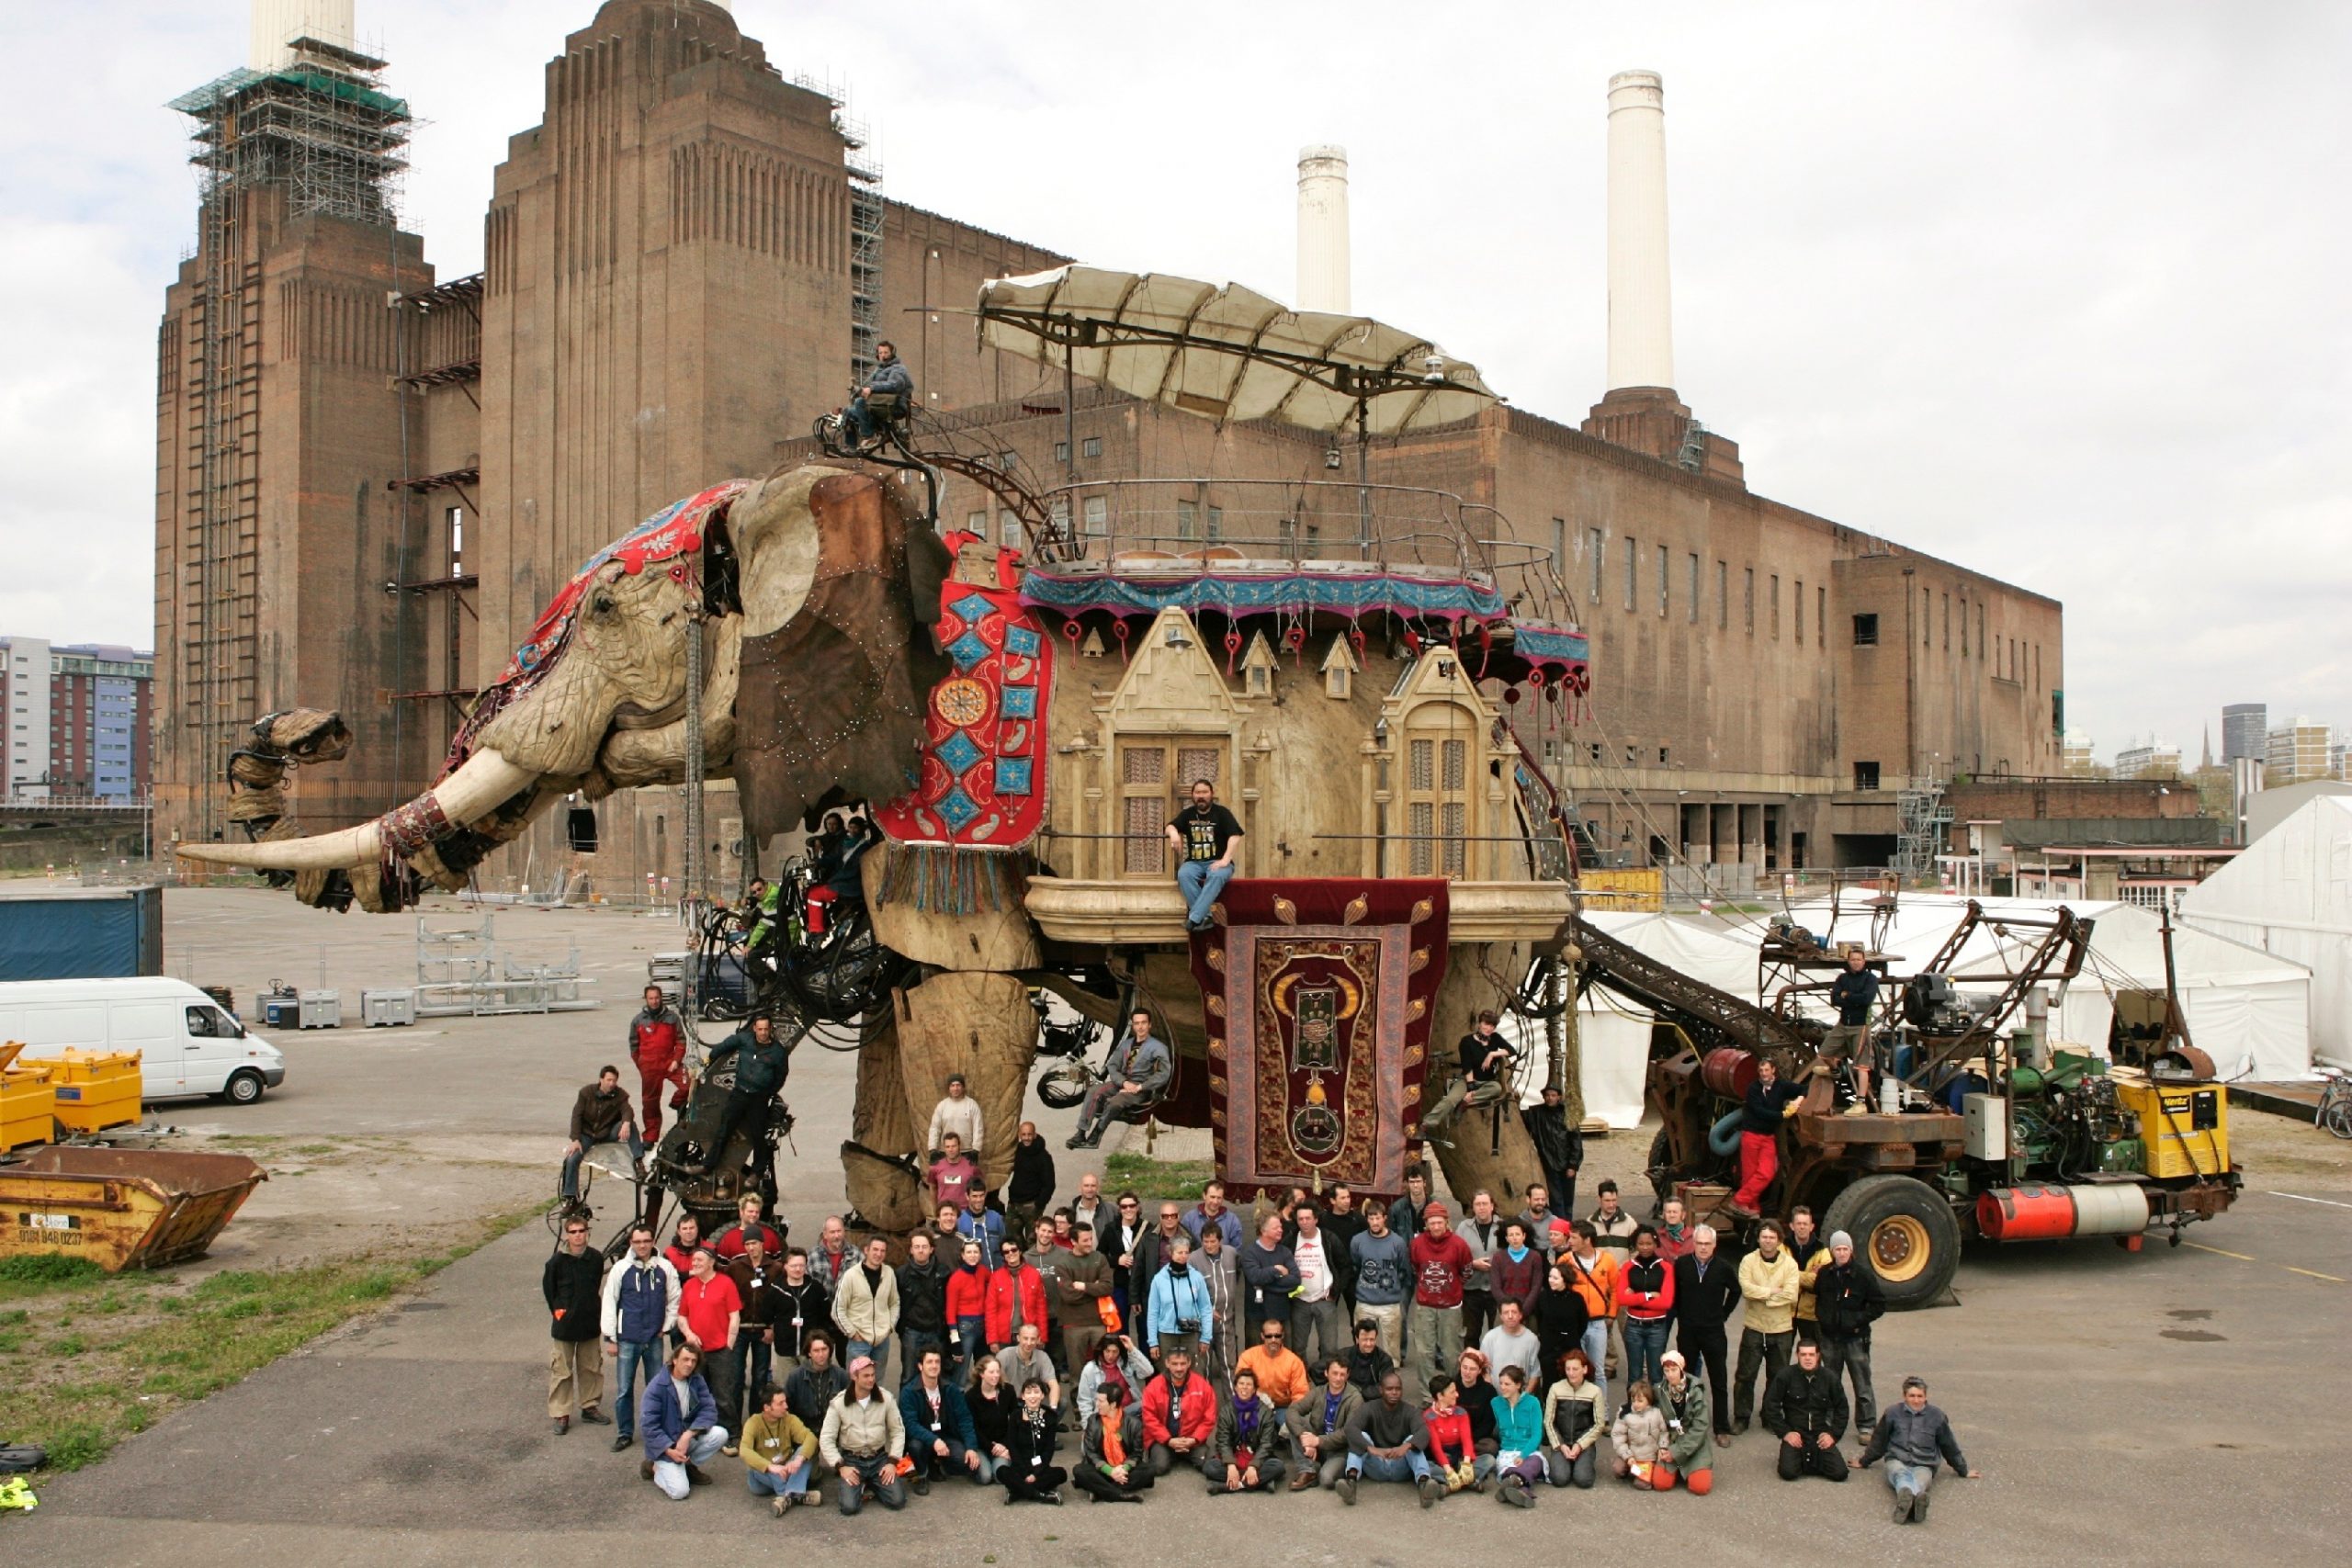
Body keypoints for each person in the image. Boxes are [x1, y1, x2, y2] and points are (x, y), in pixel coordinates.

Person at [1853, 1374, 1981, 1522]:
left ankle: (1910, 1503)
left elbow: (1949, 1445)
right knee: (1900, 1475)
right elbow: (1879, 1440)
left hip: (1924, 1464)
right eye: (1912, 1396)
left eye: (1920, 1396)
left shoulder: (1937, 1416)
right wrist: (1864, 1461)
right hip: (1897, 1460)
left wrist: (1963, 1470)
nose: (1916, 1400)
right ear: (1904, 1396)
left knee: (1921, 1481)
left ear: (1926, 1397)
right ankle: (1910, 1500)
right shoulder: (1892, 1413)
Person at [603, 1223, 680, 1453]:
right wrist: (611, 1337)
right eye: (637, 1242)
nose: (642, 1245)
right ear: (631, 1243)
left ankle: (656, 1430)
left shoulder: (665, 1267)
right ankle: (625, 1432)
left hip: (654, 1339)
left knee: (656, 1387)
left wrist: (665, 1327)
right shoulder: (620, 1270)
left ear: (653, 1241)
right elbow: (609, 1301)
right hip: (627, 1339)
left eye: (646, 1241)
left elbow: (675, 1298)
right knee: (624, 1389)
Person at [688, 1014, 788, 1178]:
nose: (763, 1033)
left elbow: (781, 1075)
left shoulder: (778, 1052)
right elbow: (724, 1046)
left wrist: (768, 1092)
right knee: (724, 1129)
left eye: (766, 1029)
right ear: (755, 1029)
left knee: (758, 1135)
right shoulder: (744, 1040)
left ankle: (757, 1172)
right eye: (760, 1029)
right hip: (740, 1094)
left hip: (758, 1099)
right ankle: (708, 1165)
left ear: (771, 1029)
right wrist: (709, 1059)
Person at [1672, 1223, 1739, 1442]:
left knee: (1718, 1379)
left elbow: (1736, 1291)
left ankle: (1721, 1428)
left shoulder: (1723, 1267)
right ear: (1694, 1244)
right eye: (1699, 1243)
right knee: (1685, 1380)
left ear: (1714, 1244)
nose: (1702, 1248)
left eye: (1707, 1244)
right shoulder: (1682, 1265)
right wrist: (1681, 1314)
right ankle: (1685, 1422)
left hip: (1714, 1331)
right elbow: (1675, 1292)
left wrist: (1724, 1314)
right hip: (1688, 1331)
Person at [1815, 1230, 1886, 1435]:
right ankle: (1829, 1422)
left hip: (1856, 1338)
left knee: (1862, 1384)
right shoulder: (1824, 1274)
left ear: (1851, 1251)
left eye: (1845, 1249)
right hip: (1830, 1339)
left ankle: (1866, 1425)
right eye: (1838, 1249)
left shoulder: (1863, 1275)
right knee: (1830, 1383)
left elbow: (1879, 1304)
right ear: (1832, 1251)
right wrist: (1824, 1320)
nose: (1842, 1253)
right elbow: (1819, 1297)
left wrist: (1857, 1321)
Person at [819, 1355, 908, 1515]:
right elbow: (826, 1438)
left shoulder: (886, 1398)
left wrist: (892, 1462)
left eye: (873, 1375)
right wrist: (841, 1466)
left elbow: (898, 1431)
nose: (871, 1379)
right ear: (854, 1377)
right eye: (866, 1376)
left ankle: (870, 1484)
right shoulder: (839, 1403)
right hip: (852, 1460)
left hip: (879, 1458)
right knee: (849, 1508)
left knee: (898, 1501)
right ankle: (863, 1485)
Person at [543, 1213, 607, 1435]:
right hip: (565, 1326)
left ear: (587, 1232)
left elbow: (595, 1285)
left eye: (582, 1231)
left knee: (591, 1367)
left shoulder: (596, 1258)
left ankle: (590, 1406)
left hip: (589, 1322)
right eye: (573, 1232)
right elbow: (549, 1291)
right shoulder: (556, 1262)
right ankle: (561, 1413)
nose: (578, 1236)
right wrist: (560, 1312)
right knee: (562, 1370)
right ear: (566, 1235)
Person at [1734, 1221, 1800, 1435]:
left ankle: (1770, 1416)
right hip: (1754, 1327)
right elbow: (1746, 1289)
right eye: (1764, 1236)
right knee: (1745, 1375)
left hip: (1781, 1329)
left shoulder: (1790, 1264)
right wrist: (1772, 1292)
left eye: (1772, 1237)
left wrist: (1763, 1296)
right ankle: (1742, 1417)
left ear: (1779, 1240)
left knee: (1778, 1377)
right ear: (1758, 1238)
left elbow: (1791, 1295)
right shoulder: (1748, 1261)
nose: (1767, 1241)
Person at [1070, 1010, 1172, 1148]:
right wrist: (1123, 1082)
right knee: (1094, 1091)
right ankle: (1081, 1132)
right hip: (1122, 1082)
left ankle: (1097, 1133)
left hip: (1140, 1089)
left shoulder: (1158, 1047)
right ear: (1133, 1026)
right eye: (1137, 1023)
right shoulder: (1126, 1044)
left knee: (1115, 1102)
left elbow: (1164, 1073)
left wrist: (1140, 1087)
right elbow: (1112, 1065)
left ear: (1150, 1025)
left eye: (1143, 1023)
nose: (1140, 1027)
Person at [640, 1343, 727, 1500]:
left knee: (721, 1434)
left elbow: (709, 1410)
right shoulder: (657, 1387)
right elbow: (648, 1426)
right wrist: (668, 1450)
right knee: (680, 1493)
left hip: (684, 1439)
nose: (689, 1364)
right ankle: (654, 1467)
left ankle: (687, 1465)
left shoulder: (697, 1380)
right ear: (674, 1360)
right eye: (685, 1359)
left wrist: (688, 1435)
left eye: (693, 1361)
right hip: (666, 1448)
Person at [1337, 1369, 1433, 1506]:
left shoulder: (1411, 1410)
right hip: (1376, 1464)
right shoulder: (1369, 1408)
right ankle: (1351, 1484)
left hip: (1401, 1466)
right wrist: (1370, 1448)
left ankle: (1424, 1486)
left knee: (1413, 1439)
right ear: (1381, 1390)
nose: (1394, 1393)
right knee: (1361, 1436)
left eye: (1398, 1389)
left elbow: (1424, 1432)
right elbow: (1350, 1428)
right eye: (1389, 1389)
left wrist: (1406, 1446)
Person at [677, 1247, 744, 1438]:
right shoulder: (689, 1285)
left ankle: (731, 1434)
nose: (695, 1263)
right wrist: (689, 1334)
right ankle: (702, 1430)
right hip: (695, 1351)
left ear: (711, 1262)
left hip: (720, 1350)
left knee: (723, 1395)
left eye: (699, 1260)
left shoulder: (726, 1283)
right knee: (697, 1393)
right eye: (694, 1260)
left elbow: (735, 1316)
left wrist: (729, 1344)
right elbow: (682, 1317)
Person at [725, 1233, 787, 1438]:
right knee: (735, 1376)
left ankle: (756, 1421)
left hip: (763, 1329)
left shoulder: (775, 1268)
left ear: (762, 1244)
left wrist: (772, 1326)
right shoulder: (736, 1267)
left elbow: (779, 1300)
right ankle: (734, 1426)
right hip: (740, 1329)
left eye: (754, 1243)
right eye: (747, 1244)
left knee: (760, 1377)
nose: (751, 1248)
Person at [1763, 1338, 1849, 1483]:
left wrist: (1833, 1435)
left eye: (1811, 1354)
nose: (1808, 1358)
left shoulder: (1830, 1378)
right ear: (1797, 1355)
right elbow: (1771, 1405)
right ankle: (1802, 1459)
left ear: (1818, 1356)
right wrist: (1785, 1433)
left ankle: (1810, 1460)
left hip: (1820, 1433)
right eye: (1803, 1355)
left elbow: (1842, 1408)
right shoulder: (1785, 1376)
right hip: (1796, 1433)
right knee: (1788, 1472)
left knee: (1840, 1473)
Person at [1406, 1206, 1472, 1392]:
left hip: (1450, 1307)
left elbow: (1466, 1271)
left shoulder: (1459, 1244)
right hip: (1424, 1306)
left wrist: (1452, 1288)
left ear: (1447, 1222)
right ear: (1426, 1224)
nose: (1436, 1227)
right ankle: (1428, 1395)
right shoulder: (1416, 1244)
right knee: (1424, 1352)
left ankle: (1452, 1392)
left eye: (1439, 1222)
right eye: (1432, 1223)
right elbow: (1415, 1268)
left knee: (1452, 1353)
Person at [1423, 1011, 1515, 1145]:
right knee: (1450, 1099)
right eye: (1486, 1024)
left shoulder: (1495, 1038)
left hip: (1487, 1082)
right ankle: (1425, 1125)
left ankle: (1465, 1103)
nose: (1489, 1028)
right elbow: (1467, 1067)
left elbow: (1512, 1050)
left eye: (1493, 1026)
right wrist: (1470, 1089)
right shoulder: (1466, 1041)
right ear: (1479, 1023)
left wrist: (1492, 1054)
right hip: (1467, 1080)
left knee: (1497, 1088)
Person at [898, 1346, 980, 1493]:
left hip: (945, 1435)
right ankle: (921, 1475)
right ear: (920, 1366)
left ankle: (936, 1463)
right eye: (929, 1362)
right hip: (921, 1437)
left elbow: (965, 1420)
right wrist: (934, 1441)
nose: (934, 1365)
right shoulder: (909, 1392)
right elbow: (910, 1425)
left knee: (965, 1462)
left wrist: (971, 1448)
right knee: (916, 1447)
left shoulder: (951, 1389)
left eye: (937, 1362)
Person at [1165, 777, 1243, 931]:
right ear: (1193, 795)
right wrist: (1174, 833)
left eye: (1205, 792)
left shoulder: (1222, 813)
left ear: (1211, 794)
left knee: (1216, 875)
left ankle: (1194, 919)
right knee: (1183, 874)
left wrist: (1226, 860)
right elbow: (1170, 826)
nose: (1201, 795)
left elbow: (1235, 835)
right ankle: (1205, 917)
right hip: (1194, 862)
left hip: (1218, 861)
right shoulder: (1188, 814)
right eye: (1197, 792)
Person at [1729, 1055, 1804, 1216]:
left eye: (1766, 1070)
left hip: (1767, 1137)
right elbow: (1760, 1112)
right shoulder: (1753, 1089)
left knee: (1766, 1173)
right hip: (1751, 1135)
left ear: (1773, 1070)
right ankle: (1752, 1207)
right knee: (1749, 1175)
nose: (1764, 1073)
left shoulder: (1781, 1087)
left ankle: (1739, 1201)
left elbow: (1805, 1088)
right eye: (1761, 1070)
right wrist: (1783, 1115)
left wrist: (1798, 1100)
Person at [1558, 1221, 1617, 1412]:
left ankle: (1602, 1412)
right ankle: (1581, 1414)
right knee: (1575, 1370)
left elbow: (1615, 1289)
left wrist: (1611, 1314)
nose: (1570, 1241)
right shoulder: (1565, 1261)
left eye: (1574, 1237)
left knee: (1598, 1371)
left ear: (1587, 1240)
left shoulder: (1607, 1260)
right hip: (1575, 1325)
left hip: (1598, 1322)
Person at [560, 1066, 642, 1200]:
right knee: (572, 1159)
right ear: (601, 1079)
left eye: (614, 1081)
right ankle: (570, 1196)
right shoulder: (586, 1093)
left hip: (606, 1132)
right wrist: (575, 1139)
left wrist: (626, 1123)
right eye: (609, 1080)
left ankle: (638, 1161)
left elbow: (627, 1110)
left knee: (631, 1125)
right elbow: (577, 1116)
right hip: (587, 1134)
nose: (612, 1084)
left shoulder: (620, 1095)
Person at [741, 1383, 821, 1515]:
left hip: (786, 1471)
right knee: (758, 1467)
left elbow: (810, 1438)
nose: (786, 1406)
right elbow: (744, 1450)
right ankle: (798, 1493)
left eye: (785, 1402)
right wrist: (770, 1466)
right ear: (767, 1407)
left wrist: (798, 1460)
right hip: (763, 1477)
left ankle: (786, 1498)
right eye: (780, 1403)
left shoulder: (789, 1419)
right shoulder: (753, 1423)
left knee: (806, 1451)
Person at [1286, 1353, 1363, 1492]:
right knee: (1295, 1423)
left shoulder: (1355, 1398)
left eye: (1342, 1374)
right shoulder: (1318, 1392)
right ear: (1327, 1373)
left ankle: (1319, 1468)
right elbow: (1293, 1410)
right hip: (1318, 1441)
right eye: (1334, 1373)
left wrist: (1317, 1441)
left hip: (1339, 1449)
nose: (1338, 1378)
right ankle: (1307, 1470)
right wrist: (1304, 1436)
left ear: (1348, 1375)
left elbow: (1348, 1433)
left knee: (1326, 1479)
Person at [1204, 1366, 1286, 1494]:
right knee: (1210, 1468)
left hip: (1256, 1455)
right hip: (1234, 1454)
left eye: (1249, 1384)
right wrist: (1231, 1465)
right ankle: (1260, 1483)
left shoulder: (1265, 1412)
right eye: (1241, 1383)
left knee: (1278, 1467)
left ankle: (1230, 1486)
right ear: (1236, 1387)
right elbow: (1223, 1441)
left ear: (1254, 1389)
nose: (1244, 1387)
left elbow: (1266, 1444)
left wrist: (1253, 1466)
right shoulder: (1226, 1410)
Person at [833, 1235, 901, 1388]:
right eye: (875, 1250)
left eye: (882, 1251)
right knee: (856, 1383)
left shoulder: (889, 1273)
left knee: (877, 1382)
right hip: (859, 1342)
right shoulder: (851, 1276)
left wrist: (889, 1326)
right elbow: (838, 1309)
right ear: (866, 1250)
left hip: (882, 1341)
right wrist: (852, 1333)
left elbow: (895, 1302)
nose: (878, 1254)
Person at [1589, 1180, 1640, 1382]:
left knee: (1628, 1326)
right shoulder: (1591, 1223)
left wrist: (1628, 1271)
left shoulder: (1629, 1222)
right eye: (1607, 1200)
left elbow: (1636, 1251)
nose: (1611, 1205)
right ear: (1599, 1199)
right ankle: (1610, 1363)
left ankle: (1637, 1363)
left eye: (1614, 1200)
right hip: (1601, 1285)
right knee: (1604, 1325)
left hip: (1623, 1285)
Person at [1618, 1225, 1677, 1400]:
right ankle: (1632, 1410)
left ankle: (1658, 1412)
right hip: (1634, 1326)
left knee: (1656, 1375)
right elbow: (1622, 1299)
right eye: (1641, 1243)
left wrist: (1635, 1296)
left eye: (1649, 1243)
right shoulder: (1628, 1267)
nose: (1645, 1247)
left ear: (1655, 1243)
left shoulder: (1666, 1268)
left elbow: (1666, 1302)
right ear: (1635, 1244)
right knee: (1634, 1374)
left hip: (1657, 1327)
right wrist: (1649, 1295)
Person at [1348, 1201, 1410, 1362]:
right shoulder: (1357, 1241)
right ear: (1366, 1219)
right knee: (1363, 1346)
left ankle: (1390, 1382)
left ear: (1385, 1219)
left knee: (1392, 1353)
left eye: (1378, 1218)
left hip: (1390, 1304)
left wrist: (1394, 1291)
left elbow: (1403, 1270)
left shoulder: (1397, 1243)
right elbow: (1355, 1265)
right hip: (1365, 1303)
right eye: (1371, 1218)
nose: (1375, 1222)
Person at [1139, 1343, 1216, 1475]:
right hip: (1162, 1440)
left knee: (1209, 1466)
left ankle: (1180, 1455)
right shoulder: (1153, 1386)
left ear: (1189, 1363)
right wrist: (1168, 1440)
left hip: (1191, 1440)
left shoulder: (1203, 1386)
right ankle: (1166, 1454)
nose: (1179, 1368)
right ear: (1167, 1363)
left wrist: (1195, 1439)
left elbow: (1209, 1418)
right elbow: (1149, 1418)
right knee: (1158, 1468)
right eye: (1174, 1364)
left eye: (1182, 1363)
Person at [1053, 1220, 1117, 1375]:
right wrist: (1095, 1288)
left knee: (1104, 1370)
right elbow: (1068, 1296)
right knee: (1077, 1372)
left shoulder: (1099, 1258)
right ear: (1074, 1241)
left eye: (1091, 1239)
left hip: (1099, 1323)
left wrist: (1083, 1286)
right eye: (1085, 1240)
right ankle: (1077, 1399)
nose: (1090, 1243)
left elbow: (1108, 1287)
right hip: (1073, 1325)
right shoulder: (1063, 1263)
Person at [627, 984, 689, 1143]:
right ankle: (650, 1137)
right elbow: (634, 1046)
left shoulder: (672, 1018)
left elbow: (681, 1041)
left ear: (661, 998)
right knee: (650, 1103)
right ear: (646, 999)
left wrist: (676, 1060)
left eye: (656, 998)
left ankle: (676, 1104)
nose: (654, 1001)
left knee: (687, 1086)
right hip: (649, 1066)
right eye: (651, 998)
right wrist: (641, 1064)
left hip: (670, 1062)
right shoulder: (638, 1021)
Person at [1073, 1383, 1153, 1504]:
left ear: (1113, 1404)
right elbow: (1090, 1452)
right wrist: (1109, 1471)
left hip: (1124, 1470)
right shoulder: (1093, 1421)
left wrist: (1123, 1468)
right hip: (1102, 1469)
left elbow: (1137, 1453)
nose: (1097, 1404)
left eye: (1101, 1401)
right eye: (1097, 1400)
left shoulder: (1134, 1423)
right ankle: (1122, 1494)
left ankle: (1101, 1491)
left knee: (1148, 1470)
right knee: (1079, 1470)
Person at [1289, 1203, 1346, 1370]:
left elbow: (1345, 1265)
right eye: (1300, 1219)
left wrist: (1336, 1289)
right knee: (1298, 1347)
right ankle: (1300, 1380)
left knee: (1330, 1348)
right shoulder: (1292, 1239)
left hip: (1324, 1300)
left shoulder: (1328, 1238)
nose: (1304, 1222)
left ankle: (1327, 1380)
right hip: (1300, 1300)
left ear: (1316, 1219)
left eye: (1308, 1218)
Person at [1654, 1349, 1716, 1495]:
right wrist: (1661, 1446)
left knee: (1700, 1488)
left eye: (1674, 1370)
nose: (1670, 1374)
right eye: (1666, 1370)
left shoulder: (1696, 1392)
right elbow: (1654, 1420)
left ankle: (1689, 1469)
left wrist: (1676, 1453)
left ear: (1681, 1369)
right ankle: (1679, 1471)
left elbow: (1700, 1428)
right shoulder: (1659, 1390)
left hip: (1694, 1444)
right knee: (1660, 1484)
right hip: (1671, 1440)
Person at [1540, 1348, 1603, 1489]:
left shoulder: (1595, 1391)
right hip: (1561, 1441)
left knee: (1583, 1480)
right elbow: (1548, 1421)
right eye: (1568, 1369)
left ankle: (1582, 1461)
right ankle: (1565, 1460)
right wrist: (1560, 1445)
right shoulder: (1556, 1388)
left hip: (1583, 1443)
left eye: (1575, 1369)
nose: (1571, 1373)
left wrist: (1580, 1445)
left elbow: (1599, 1424)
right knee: (1559, 1479)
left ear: (1585, 1369)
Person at [1143, 1232, 1211, 1362]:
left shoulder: (1197, 1277)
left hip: (1191, 1332)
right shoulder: (1159, 1279)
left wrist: (1205, 1337)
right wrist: (1153, 1342)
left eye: (1186, 1252)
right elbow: (1153, 1312)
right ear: (1171, 1253)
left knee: (1194, 1372)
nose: (1183, 1256)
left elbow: (1206, 1308)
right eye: (1180, 1253)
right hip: (1166, 1334)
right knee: (1168, 1372)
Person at [998, 1376, 1066, 1504]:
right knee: (1001, 1472)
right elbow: (1012, 1446)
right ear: (1023, 1396)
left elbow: (1049, 1450)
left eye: (1036, 1392)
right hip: (1020, 1466)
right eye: (1028, 1393)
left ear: (1042, 1395)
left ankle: (1017, 1491)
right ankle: (1040, 1495)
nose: (1032, 1396)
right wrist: (1025, 1473)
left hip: (1040, 1467)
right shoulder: (1015, 1416)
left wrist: (1035, 1474)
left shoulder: (1050, 1417)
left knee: (1061, 1474)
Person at [897, 1232, 952, 1389]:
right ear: (911, 1250)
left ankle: (936, 1411)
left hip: (936, 1331)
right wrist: (901, 1328)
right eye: (917, 1247)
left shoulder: (943, 1272)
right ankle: (906, 1412)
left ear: (931, 1249)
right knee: (909, 1376)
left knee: (937, 1376)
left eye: (924, 1247)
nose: (921, 1250)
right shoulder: (901, 1274)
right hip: (911, 1332)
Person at [1421, 1371, 1491, 1497]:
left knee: (1489, 1460)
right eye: (1452, 1392)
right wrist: (1448, 1471)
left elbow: (1467, 1440)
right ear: (1440, 1396)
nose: (1457, 1395)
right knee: (1423, 1465)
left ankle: (1450, 1487)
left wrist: (1467, 1463)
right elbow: (1436, 1448)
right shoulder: (1428, 1416)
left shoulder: (1461, 1412)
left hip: (1459, 1457)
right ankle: (1470, 1482)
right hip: (1442, 1459)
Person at [770, 1247, 830, 1388]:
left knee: (815, 1388)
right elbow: (767, 1314)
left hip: (810, 1351)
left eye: (801, 1265)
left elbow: (825, 1315)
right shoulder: (775, 1290)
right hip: (785, 1351)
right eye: (793, 1266)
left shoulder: (816, 1288)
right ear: (785, 1266)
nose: (798, 1269)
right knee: (787, 1389)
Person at [1825, 948, 1880, 1102]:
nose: (1856, 962)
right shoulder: (1842, 978)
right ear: (1848, 961)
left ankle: (1860, 1100)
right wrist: (1854, 999)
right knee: (1823, 1053)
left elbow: (1866, 999)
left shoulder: (1870, 979)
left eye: (1858, 959)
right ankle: (1836, 1070)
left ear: (1864, 961)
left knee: (1861, 1066)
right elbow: (1835, 999)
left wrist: (1847, 995)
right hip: (1843, 1023)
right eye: (1853, 959)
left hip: (1860, 1025)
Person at [1521, 1085, 1584, 1218]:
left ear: (1559, 1097)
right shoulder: (1537, 1113)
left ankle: (1567, 1225)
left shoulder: (1567, 1114)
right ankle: (1559, 1226)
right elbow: (1520, 1117)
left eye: (1553, 1095)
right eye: (1548, 1095)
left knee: (1568, 1197)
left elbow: (1576, 1141)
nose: (1550, 1098)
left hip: (1566, 1162)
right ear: (1544, 1097)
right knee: (1556, 1199)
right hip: (1549, 1162)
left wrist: (1573, 1165)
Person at [1490, 1363, 1548, 1506]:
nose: (1502, 1387)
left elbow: (1536, 1434)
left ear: (1518, 1385)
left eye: (1507, 1384)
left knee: (1533, 1463)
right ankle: (1522, 1490)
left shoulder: (1533, 1403)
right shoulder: (1495, 1403)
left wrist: (1523, 1455)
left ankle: (1510, 1485)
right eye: (1501, 1383)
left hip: (1529, 1452)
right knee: (1509, 1468)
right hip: (1507, 1451)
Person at [1192, 1224, 1240, 1382]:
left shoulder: (1231, 1253)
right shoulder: (1193, 1259)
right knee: (1203, 1368)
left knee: (1230, 1365)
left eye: (1213, 1241)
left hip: (1227, 1321)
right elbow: (1189, 1293)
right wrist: (1205, 1310)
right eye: (1205, 1241)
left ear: (1220, 1241)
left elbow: (1237, 1275)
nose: (1209, 1245)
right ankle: (1206, 1405)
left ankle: (1232, 1405)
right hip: (1203, 1323)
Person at [1532, 1262, 1589, 1394]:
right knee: (1549, 1386)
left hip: (1570, 1347)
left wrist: (1570, 1336)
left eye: (1555, 1278)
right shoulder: (1543, 1297)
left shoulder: (1576, 1299)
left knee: (1572, 1384)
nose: (1551, 1280)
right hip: (1548, 1349)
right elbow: (1540, 1318)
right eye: (1550, 1277)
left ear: (1565, 1279)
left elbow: (1582, 1323)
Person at [842, 338, 912, 447]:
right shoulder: (880, 369)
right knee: (849, 412)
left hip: (893, 407)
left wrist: (872, 388)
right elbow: (874, 387)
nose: (883, 355)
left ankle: (869, 436)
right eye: (880, 353)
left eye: (886, 352)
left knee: (860, 403)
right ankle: (851, 449)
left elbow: (895, 385)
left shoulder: (898, 368)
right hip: (879, 405)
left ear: (892, 354)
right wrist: (861, 390)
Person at [986, 1236, 1050, 1352]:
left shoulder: (1034, 1274)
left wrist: (1042, 1336)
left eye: (1014, 1250)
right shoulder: (996, 1277)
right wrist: (992, 1339)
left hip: (1028, 1335)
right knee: (1005, 1369)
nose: (1010, 1253)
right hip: (1004, 1337)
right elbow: (990, 1310)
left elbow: (1041, 1308)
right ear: (1003, 1255)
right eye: (1006, 1251)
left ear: (1020, 1251)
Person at [1238, 1213, 1298, 1336]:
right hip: (1257, 1316)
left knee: (1283, 1353)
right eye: (1276, 1228)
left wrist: (1265, 1285)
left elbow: (1295, 1280)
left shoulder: (1285, 1252)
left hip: (1282, 1314)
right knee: (1256, 1353)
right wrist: (1277, 1269)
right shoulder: (1250, 1253)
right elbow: (1255, 1277)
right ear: (1263, 1231)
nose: (1281, 1230)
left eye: (1280, 1227)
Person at [1457, 1190, 1504, 1346]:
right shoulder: (1464, 1228)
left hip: (1496, 1289)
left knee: (1498, 1333)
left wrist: (1495, 1265)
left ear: (1492, 1206)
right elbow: (1456, 1257)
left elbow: (1510, 1256)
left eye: (1485, 1204)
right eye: (1478, 1204)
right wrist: (1473, 1264)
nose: (1481, 1208)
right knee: (1471, 1334)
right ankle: (1471, 1367)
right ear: (1473, 1207)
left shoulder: (1503, 1227)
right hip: (1471, 1290)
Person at [995, 1321, 1062, 1425]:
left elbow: (1054, 1384)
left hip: (1033, 1399)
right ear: (1018, 1338)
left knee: (1062, 1402)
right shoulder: (1004, 1356)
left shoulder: (1043, 1357)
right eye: (1025, 1338)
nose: (1029, 1343)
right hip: (1011, 1401)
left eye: (1033, 1339)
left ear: (1038, 1340)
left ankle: (1046, 1429)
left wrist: (1053, 1409)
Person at [1609, 1380, 1672, 1488]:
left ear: (1648, 1400)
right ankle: (1631, 1470)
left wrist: (1663, 1447)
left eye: (1640, 1401)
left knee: (1641, 1484)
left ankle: (1646, 1473)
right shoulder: (1625, 1414)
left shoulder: (1656, 1413)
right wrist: (1627, 1456)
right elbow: (1618, 1436)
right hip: (1631, 1454)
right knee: (1617, 1469)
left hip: (1649, 1456)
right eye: (1633, 1400)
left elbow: (1663, 1432)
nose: (1636, 1404)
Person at [966, 1354, 1018, 1483]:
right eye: (991, 1372)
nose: (995, 1375)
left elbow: (1016, 1420)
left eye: (997, 1371)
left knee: (1000, 1476)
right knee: (985, 1477)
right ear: (982, 1374)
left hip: (1002, 1443)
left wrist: (1005, 1445)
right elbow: (973, 1427)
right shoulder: (971, 1396)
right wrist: (990, 1446)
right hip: (981, 1444)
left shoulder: (1008, 1391)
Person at [1076, 1333, 1153, 1420]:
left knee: (1147, 1404)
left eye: (1115, 1351)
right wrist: (1089, 1427)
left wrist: (1132, 1349)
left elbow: (1148, 1371)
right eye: (1107, 1351)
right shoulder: (1090, 1369)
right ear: (1102, 1350)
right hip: (1104, 1415)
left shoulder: (1125, 1362)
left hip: (1128, 1410)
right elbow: (1084, 1401)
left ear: (1120, 1351)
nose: (1111, 1356)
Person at [1237, 1320, 1309, 1410]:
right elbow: (1241, 1386)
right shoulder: (1248, 1357)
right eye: (1269, 1336)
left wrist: (1292, 1414)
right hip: (1255, 1405)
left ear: (1282, 1335)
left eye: (1277, 1336)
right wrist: (1257, 1396)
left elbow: (1301, 1394)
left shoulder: (1294, 1361)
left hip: (1284, 1407)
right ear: (1262, 1336)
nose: (1273, 1340)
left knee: (1294, 1422)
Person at [944, 1237, 990, 1380]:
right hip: (965, 1327)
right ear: (963, 1255)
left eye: (976, 1252)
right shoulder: (956, 1278)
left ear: (980, 1255)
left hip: (983, 1325)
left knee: (984, 1365)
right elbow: (950, 1310)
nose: (972, 1255)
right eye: (969, 1252)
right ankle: (958, 1393)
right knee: (962, 1368)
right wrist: (954, 1338)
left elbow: (994, 1284)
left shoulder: (983, 1271)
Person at [784, 1334, 846, 1434]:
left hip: (834, 1431)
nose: (821, 1354)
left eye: (824, 1349)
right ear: (809, 1353)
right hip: (804, 1431)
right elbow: (787, 1408)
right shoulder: (795, 1376)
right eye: (816, 1350)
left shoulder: (841, 1375)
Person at [1785, 1205, 1831, 1341]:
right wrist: (1808, 1276)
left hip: (1811, 1314)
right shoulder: (1781, 1249)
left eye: (1805, 1224)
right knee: (1781, 1359)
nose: (1802, 1227)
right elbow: (1778, 1277)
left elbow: (1821, 1282)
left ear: (1812, 1227)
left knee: (1812, 1358)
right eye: (1798, 1223)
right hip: (1786, 1313)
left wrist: (1790, 1275)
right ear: (1792, 1226)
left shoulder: (1823, 1252)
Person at [1006, 1121, 1057, 1240]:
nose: (1026, 1138)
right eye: (1023, 1135)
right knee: (1011, 1240)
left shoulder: (1044, 1157)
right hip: (1014, 1204)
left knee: (1032, 1242)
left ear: (1034, 1135)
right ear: (1019, 1135)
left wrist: (1039, 1205)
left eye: (1029, 1134)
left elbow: (1050, 1184)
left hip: (1032, 1206)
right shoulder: (1017, 1151)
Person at [1479, 1297, 1544, 1387]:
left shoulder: (1531, 1339)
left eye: (1514, 1312)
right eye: (1506, 1313)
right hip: (1495, 1397)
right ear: (1501, 1316)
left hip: (1521, 1396)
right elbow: (1484, 1369)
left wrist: (1525, 1397)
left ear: (1520, 1315)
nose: (1510, 1316)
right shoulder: (1490, 1338)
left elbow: (1535, 1373)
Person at [1488, 1219, 1543, 1325]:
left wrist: (1522, 1311)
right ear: (1506, 1238)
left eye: (1517, 1234)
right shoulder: (1498, 1257)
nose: (1514, 1238)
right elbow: (1495, 1287)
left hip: (1528, 1312)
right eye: (1511, 1235)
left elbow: (1536, 1286)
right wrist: (1509, 1310)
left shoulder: (1535, 1257)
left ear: (1524, 1236)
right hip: (1505, 1312)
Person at [713, 1192, 785, 1262]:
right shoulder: (728, 1239)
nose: (754, 1214)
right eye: (750, 1211)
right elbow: (722, 1269)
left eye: (757, 1212)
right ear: (741, 1212)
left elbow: (777, 1266)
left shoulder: (770, 1235)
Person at [926, 1072, 983, 1156]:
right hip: (946, 1151)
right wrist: (932, 1148)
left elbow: (978, 1128)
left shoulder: (972, 1105)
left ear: (963, 1087)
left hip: (967, 1151)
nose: (955, 1088)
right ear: (949, 1088)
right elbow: (935, 1128)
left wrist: (976, 1149)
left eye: (958, 1085)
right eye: (952, 1085)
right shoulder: (942, 1106)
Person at [1181, 1180, 1246, 1249]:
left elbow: (1236, 1248)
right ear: (1204, 1196)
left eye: (1219, 1198)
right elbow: (1182, 1245)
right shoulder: (1189, 1219)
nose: (1215, 1202)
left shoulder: (1232, 1220)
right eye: (1212, 1197)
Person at [956, 1185, 1007, 1270]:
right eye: (974, 1196)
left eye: (981, 1196)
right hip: (971, 1278)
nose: (978, 1200)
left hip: (995, 1275)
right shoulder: (959, 1220)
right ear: (967, 1196)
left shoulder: (996, 1218)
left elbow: (1004, 1246)